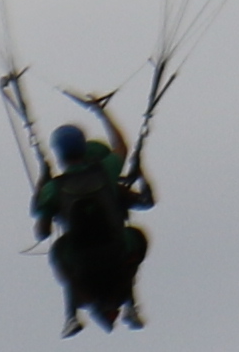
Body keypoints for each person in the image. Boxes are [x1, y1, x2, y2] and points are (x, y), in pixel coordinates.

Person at [30, 117, 153, 336]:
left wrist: (43, 184)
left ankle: (71, 315)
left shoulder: (53, 188)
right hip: (116, 248)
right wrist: (102, 114)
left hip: (80, 259)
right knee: (137, 237)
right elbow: (122, 148)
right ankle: (131, 304)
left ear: (59, 155)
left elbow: (42, 233)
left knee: (58, 249)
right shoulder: (105, 171)